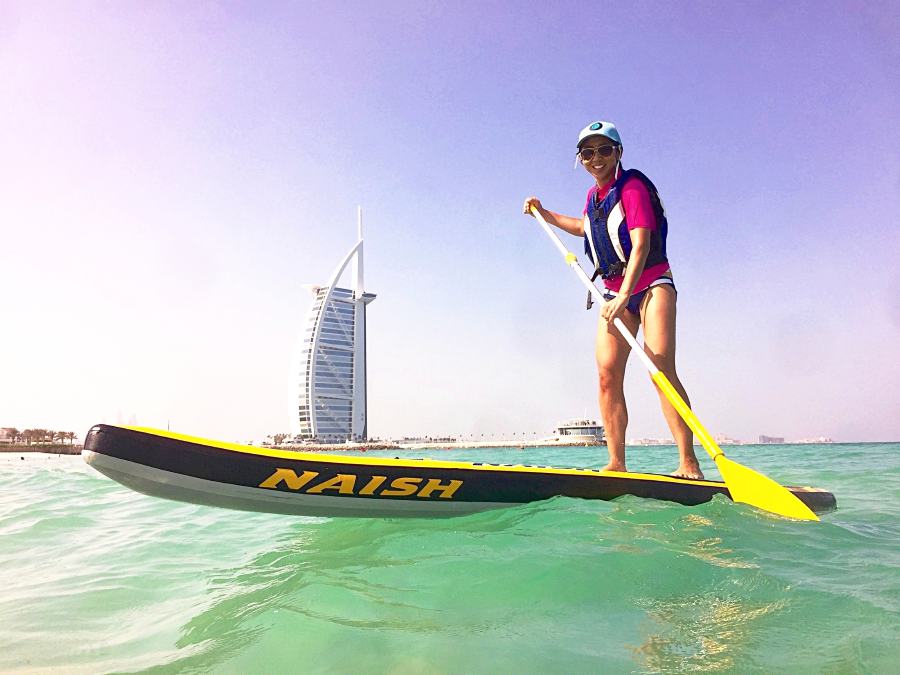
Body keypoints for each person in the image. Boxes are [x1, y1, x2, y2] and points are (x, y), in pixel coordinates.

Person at [523, 120, 704, 479]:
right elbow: (585, 227)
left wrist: (624, 296)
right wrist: (545, 214)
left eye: (604, 150)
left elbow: (641, 245)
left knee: (659, 370)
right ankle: (616, 463)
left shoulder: (632, 186)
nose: (596, 158)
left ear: (618, 152)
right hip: (612, 293)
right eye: (588, 152)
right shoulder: (593, 197)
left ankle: (688, 461)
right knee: (607, 374)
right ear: (581, 159)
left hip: (651, 286)